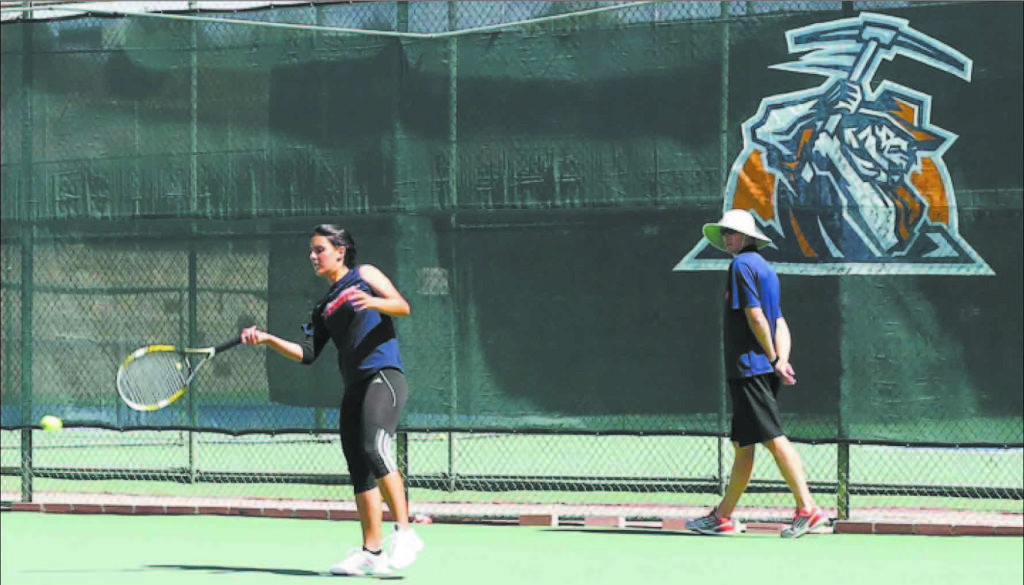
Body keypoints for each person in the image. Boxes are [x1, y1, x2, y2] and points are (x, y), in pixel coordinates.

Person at [240, 224, 424, 575]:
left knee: (375, 447)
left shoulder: (364, 275)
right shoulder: (323, 307)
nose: (313, 256)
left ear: (340, 251)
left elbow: (402, 306)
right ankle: (371, 551)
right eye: (311, 250)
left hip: (383, 376)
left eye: (319, 249)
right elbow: (306, 353)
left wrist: (373, 301)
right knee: (359, 467)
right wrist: (266, 339)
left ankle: (405, 533)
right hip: (354, 387)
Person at [684, 209, 828, 539]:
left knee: (774, 439)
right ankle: (723, 516)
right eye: (724, 233)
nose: (727, 238)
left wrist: (774, 357)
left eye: (732, 232)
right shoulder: (766, 270)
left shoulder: (740, 266)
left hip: (750, 370)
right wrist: (781, 360)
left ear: (748, 236)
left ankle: (808, 509)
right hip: (759, 369)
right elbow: (780, 322)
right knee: (743, 446)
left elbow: (757, 316)